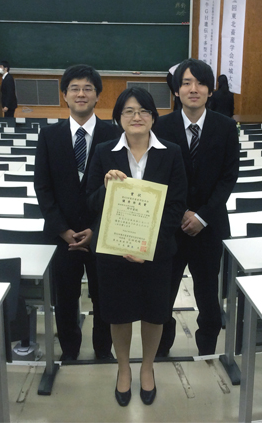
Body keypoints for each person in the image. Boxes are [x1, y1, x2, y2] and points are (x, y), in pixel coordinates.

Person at [86, 87, 187, 406]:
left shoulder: (171, 152)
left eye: (143, 111)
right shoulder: (103, 151)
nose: (136, 117)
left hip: (156, 252)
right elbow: (90, 202)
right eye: (128, 111)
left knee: (155, 314)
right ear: (118, 117)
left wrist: (148, 246)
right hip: (114, 252)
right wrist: (106, 188)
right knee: (118, 314)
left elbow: (177, 205)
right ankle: (123, 368)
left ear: (154, 118)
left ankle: (147, 367)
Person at [153, 58, 240, 356]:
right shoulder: (160, 126)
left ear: (210, 90)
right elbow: (156, 176)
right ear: (176, 90)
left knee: (208, 296)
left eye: (201, 83)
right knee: (163, 295)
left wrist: (202, 215)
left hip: (209, 226)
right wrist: (180, 214)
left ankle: (207, 352)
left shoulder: (226, 127)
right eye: (187, 83)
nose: (194, 89)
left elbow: (228, 177)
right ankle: (161, 350)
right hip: (169, 228)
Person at [34, 64, 118, 361]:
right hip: (62, 235)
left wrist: (96, 229)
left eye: (87, 89)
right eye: (74, 89)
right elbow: (43, 187)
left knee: (105, 295)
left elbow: (119, 189)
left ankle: (103, 350)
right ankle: (69, 351)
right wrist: (62, 229)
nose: (81, 94)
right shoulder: (49, 135)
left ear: (97, 96)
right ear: (65, 95)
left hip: (102, 233)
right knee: (65, 298)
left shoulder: (114, 134)